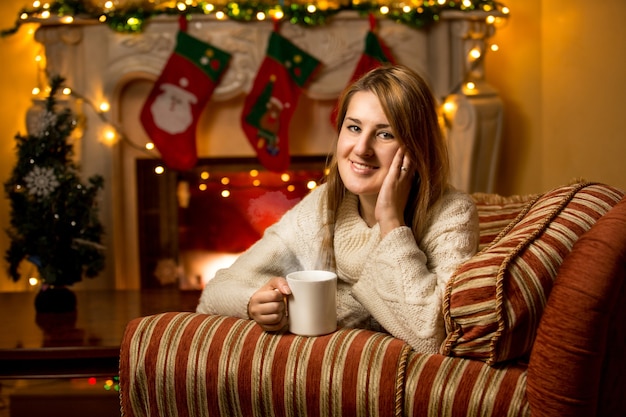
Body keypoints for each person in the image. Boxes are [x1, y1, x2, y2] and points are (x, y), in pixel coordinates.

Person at [197, 64, 479, 353]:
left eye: (385, 134)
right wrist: (252, 301)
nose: (361, 148)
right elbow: (215, 293)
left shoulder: (452, 213)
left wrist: (391, 222)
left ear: (417, 148)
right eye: (354, 128)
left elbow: (432, 336)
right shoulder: (323, 205)